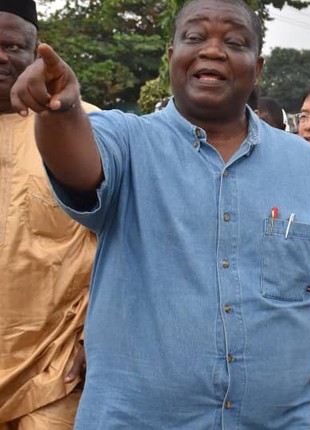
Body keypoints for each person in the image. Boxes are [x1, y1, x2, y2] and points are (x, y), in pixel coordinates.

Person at [10, 1, 310, 429]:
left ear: (258, 67)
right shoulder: (126, 139)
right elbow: (77, 167)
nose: (212, 50)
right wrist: (61, 112)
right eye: (195, 37)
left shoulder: (308, 168)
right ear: (172, 58)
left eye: (234, 41)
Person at [0, 2, 96, 428]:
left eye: (13, 46)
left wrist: (99, 331)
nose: (2, 56)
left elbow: (130, 237)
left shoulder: (81, 125)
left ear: (37, 50)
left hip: (53, 370)